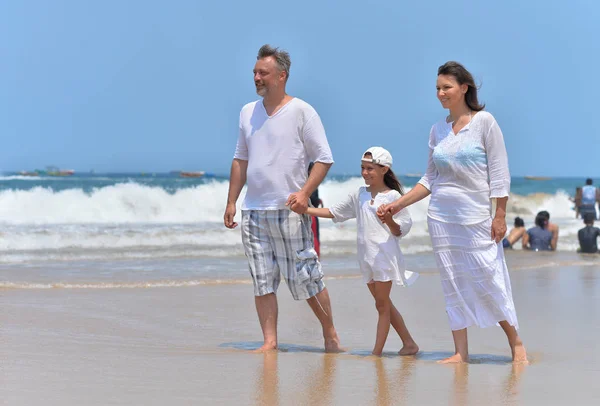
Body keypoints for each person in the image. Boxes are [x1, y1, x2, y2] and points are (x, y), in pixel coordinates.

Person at [378, 61, 527, 364]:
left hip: (475, 219)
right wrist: (399, 203)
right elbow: (430, 178)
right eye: (437, 88)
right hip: (441, 220)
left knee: (489, 277)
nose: (441, 93)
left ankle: (516, 343)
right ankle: (460, 352)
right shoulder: (437, 130)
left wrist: (499, 215)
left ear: (464, 88)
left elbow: (500, 173)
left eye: (446, 87)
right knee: (453, 283)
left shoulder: (485, 122)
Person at [223, 44, 342, 353]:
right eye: (254, 72)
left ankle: (330, 336)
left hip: (290, 211)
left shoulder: (302, 111)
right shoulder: (247, 112)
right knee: (262, 280)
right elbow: (240, 159)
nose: (256, 77)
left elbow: (324, 158)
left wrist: (304, 194)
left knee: (307, 279)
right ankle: (269, 342)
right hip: (254, 211)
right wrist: (232, 201)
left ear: (281, 75)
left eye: (263, 73)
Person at [306, 147, 419, 356]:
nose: (365, 173)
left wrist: (389, 219)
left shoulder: (394, 197)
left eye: (370, 168)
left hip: (385, 257)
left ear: (384, 169)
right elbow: (333, 212)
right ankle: (409, 343)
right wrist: (305, 209)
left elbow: (400, 230)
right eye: (363, 168)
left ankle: (376, 353)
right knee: (383, 304)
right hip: (366, 258)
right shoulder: (360, 195)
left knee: (382, 307)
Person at [308, 162, 323, 257]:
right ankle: (316, 256)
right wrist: (318, 201)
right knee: (314, 238)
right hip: (311, 215)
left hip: (312, 213)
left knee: (314, 237)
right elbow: (311, 199)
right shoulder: (311, 182)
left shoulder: (309, 181)